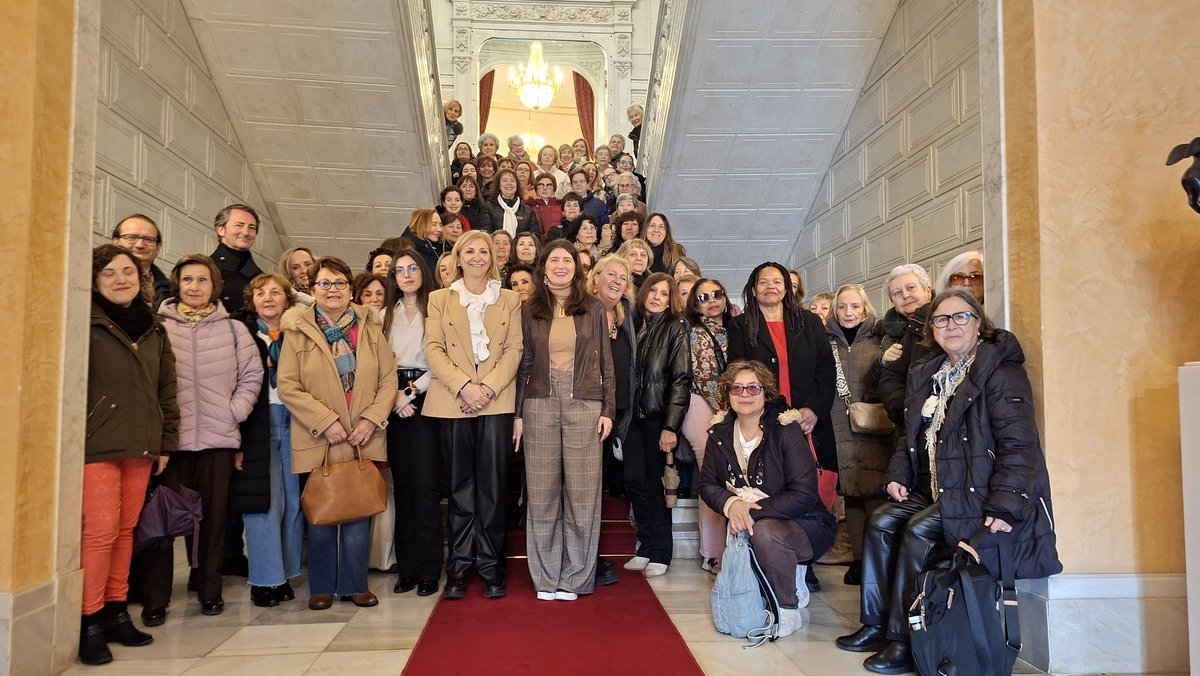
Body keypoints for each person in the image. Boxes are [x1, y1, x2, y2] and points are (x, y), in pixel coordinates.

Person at [835, 290, 1062, 674]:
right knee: (879, 519)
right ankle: (875, 624)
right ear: (932, 330)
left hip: (978, 491)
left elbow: (1020, 445)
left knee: (918, 530)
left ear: (979, 323)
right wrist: (898, 476)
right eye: (941, 319)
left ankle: (905, 638)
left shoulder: (1001, 373)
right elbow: (909, 436)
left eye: (960, 317)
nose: (950, 325)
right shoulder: (929, 372)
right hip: (937, 487)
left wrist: (1005, 504)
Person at [141, 254, 262, 622]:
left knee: (213, 522)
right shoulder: (158, 325)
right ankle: (155, 599)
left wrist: (234, 412)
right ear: (177, 284)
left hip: (217, 441)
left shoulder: (233, 330)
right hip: (171, 446)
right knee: (163, 524)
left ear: (215, 287)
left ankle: (209, 590)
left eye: (203, 280)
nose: (195, 287)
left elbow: (251, 376)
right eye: (188, 280)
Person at [277, 256, 398, 611]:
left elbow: (388, 379)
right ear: (311, 290)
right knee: (322, 514)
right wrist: (325, 420)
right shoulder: (297, 328)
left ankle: (355, 584)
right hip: (320, 437)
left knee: (360, 511)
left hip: (363, 434)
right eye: (324, 284)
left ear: (351, 288)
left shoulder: (370, 326)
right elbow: (288, 386)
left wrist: (371, 419)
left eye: (340, 283)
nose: (333, 290)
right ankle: (322, 586)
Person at [80, 245, 179, 665]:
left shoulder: (154, 327)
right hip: (96, 444)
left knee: (126, 530)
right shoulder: (86, 323)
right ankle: (90, 620)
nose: (121, 279)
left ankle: (118, 610)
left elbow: (167, 388)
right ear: (95, 279)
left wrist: (165, 442)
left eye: (129, 272)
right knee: (99, 533)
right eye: (109, 273)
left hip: (142, 443)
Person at [699, 360, 838, 638]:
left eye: (753, 388)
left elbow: (804, 494)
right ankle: (786, 572)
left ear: (766, 393)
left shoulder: (785, 429)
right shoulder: (719, 433)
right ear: (727, 394)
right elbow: (707, 484)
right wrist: (732, 504)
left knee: (763, 531)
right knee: (755, 530)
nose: (745, 395)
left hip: (807, 524)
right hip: (753, 520)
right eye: (737, 389)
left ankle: (788, 608)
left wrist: (750, 510)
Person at [424, 230, 524, 600]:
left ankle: (492, 567)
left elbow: (515, 348)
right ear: (458, 256)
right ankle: (460, 567)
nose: (478, 256)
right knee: (460, 489)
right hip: (453, 401)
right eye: (471, 251)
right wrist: (465, 386)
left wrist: (487, 389)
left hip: (495, 401)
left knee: (493, 490)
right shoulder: (439, 299)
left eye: (484, 251)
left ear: (493, 258)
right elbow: (433, 349)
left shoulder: (510, 299)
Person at [514, 241, 615, 600]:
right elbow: (524, 363)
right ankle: (545, 577)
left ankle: (574, 577)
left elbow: (606, 362)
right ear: (543, 267)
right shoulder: (530, 309)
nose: (560, 265)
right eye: (553, 259)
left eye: (567, 259)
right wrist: (517, 414)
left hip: (584, 403)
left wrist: (608, 410)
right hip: (539, 403)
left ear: (576, 266)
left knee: (582, 496)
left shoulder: (592, 307)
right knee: (541, 495)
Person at [726, 262, 836, 591]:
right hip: (766, 421)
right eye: (763, 282)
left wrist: (813, 409)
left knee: (813, 488)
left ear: (787, 288)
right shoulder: (740, 325)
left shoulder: (810, 322)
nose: (771, 287)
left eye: (778, 281)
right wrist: (772, 411)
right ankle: (776, 555)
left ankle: (806, 557)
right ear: (753, 288)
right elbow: (739, 371)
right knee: (777, 488)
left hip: (810, 421)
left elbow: (825, 372)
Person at [239, 273, 304, 608]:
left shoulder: (299, 332)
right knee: (265, 503)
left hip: (297, 421)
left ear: (287, 298)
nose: (267, 298)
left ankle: (287, 572)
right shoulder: (243, 334)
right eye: (260, 292)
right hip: (258, 423)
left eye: (275, 292)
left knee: (293, 503)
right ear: (251, 300)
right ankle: (265, 579)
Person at [382, 252, 443, 597]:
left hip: (425, 397)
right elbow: (377, 361)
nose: (406, 275)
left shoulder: (436, 309)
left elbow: (441, 359)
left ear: (423, 271)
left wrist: (408, 393)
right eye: (399, 270)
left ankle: (429, 568)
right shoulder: (384, 315)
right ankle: (407, 567)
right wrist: (393, 395)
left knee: (424, 486)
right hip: (391, 400)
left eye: (412, 268)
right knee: (401, 488)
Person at [623, 272, 691, 578]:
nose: (657, 297)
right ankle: (645, 547)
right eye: (654, 291)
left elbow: (681, 380)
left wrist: (670, 427)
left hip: (657, 418)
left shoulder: (674, 328)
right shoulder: (633, 324)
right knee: (635, 482)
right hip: (631, 420)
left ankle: (661, 551)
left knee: (656, 485)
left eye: (665, 293)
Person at [825, 284, 890, 587]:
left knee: (875, 495)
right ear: (834, 310)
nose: (849, 313)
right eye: (842, 307)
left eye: (855, 306)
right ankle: (859, 559)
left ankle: (878, 562)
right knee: (850, 495)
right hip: (838, 425)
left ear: (865, 308)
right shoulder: (825, 342)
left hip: (874, 427)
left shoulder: (881, 339)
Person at [679, 278, 733, 573]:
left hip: (733, 407)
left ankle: (733, 548)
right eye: (703, 297)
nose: (711, 300)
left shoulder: (736, 329)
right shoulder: (699, 333)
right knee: (712, 476)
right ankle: (712, 552)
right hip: (705, 406)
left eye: (716, 294)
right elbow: (706, 378)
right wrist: (727, 410)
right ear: (695, 305)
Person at [588, 255, 637, 510]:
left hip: (616, 403)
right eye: (611, 274)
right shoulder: (582, 309)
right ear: (596, 278)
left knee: (602, 468)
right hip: (586, 404)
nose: (617, 281)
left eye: (623, 277)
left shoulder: (625, 313)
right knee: (586, 472)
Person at [869, 263, 935, 425]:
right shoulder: (886, 334)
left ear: (928, 291)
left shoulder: (945, 322)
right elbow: (873, 385)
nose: (905, 295)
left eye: (911, 288)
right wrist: (902, 408)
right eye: (897, 293)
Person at [209, 204, 263, 313]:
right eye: (239, 225)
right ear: (221, 229)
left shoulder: (262, 279)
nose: (246, 232)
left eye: (251, 228)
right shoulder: (203, 269)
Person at [110, 214, 170, 307]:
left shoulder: (173, 291)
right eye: (131, 237)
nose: (140, 245)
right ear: (115, 242)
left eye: (148, 239)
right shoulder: (93, 281)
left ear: (158, 248)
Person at [482, 168, 538, 236]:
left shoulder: (528, 210)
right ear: (499, 185)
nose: (509, 183)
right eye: (505, 180)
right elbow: (486, 234)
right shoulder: (488, 207)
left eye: (512, 180)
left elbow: (535, 235)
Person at [402, 208, 448, 274]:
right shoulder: (409, 250)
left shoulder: (431, 246)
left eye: (440, 225)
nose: (439, 229)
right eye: (434, 224)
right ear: (421, 224)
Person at [528, 173, 562, 243]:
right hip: (538, 246)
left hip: (559, 245)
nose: (545, 188)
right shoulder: (529, 207)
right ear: (536, 189)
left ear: (554, 190)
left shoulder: (562, 206)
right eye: (541, 185)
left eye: (549, 186)